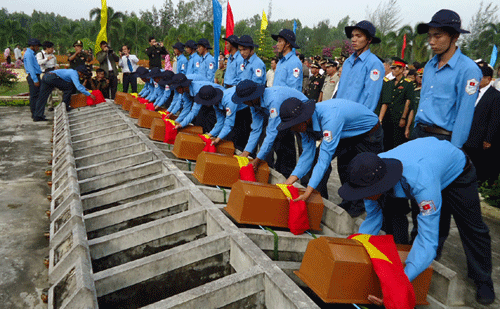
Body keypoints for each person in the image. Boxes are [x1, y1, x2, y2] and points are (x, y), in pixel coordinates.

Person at [338, 137, 495, 306]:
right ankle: (420, 262)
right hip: (428, 165)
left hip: (457, 172)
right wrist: (356, 252)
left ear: (380, 186)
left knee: (472, 228)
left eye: (367, 193)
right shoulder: (370, 173)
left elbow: (428, 241)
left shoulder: (421, 183)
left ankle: (483, 281)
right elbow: (373, 218)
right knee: (431, 224)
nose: (364, 197)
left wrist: (398, 285)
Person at [277, 98, 383, 201]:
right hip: (345, 133)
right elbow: (307, 155)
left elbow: (324, 160)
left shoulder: (330, 119)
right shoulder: (304, 126)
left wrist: (307, 192)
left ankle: (359, 208)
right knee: (345, 168)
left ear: (304, 119)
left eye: (293, 125)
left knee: (365, 172)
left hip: (368, 133)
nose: (292, 129)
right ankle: (319, 200)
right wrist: (289, 182)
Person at [412, 9, 482, 148]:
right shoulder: (430, 66)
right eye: (429, 36)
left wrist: (454, 149)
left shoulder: (468, 69)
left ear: (455, 36)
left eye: (437, 36)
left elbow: (464, 114)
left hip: (442, 139)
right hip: (419, 133)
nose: (431, 41)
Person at [231, 80, 308, 178]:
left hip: (300, 113)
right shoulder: (253, 104)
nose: (244, 103)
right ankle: (282, 173)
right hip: (284, 115)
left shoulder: (273, 100)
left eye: (245, 100)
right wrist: (246, 152)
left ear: (253, 97)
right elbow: (256, 129)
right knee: (278, 141)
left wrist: (258, 159)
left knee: (290, 146)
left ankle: (289, 177)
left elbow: (271, 132)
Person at [335, 21, 385, 111]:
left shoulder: (374, 64)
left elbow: (371, 97)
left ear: (369, 40)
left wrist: (361, 120)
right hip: (339, 113)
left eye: (359, 36)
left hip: (356, 117)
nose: (354, 39)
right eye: (353, 36)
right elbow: (340, 89)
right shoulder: (347, 62)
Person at [463, 64, 500, 184]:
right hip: (467, 135)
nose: (477, 80)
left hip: (481, 138)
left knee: (478, 164)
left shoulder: (495, 96)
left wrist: (488, 139)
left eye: (481, 77)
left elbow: (494, 119)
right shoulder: (472, 92)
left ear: (488, 79)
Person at [378, 57, 415, 150]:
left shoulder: (408, 84)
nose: (393, 70)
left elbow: (408, 101)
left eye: (395, 68)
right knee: (386, 143)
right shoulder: (389, 83)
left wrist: (403, 117)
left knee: (396, 143)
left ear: (402, 69)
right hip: (388, 117)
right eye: (392, 68)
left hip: (398, 118)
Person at [200, 86, 252, 152]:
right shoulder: (215, 104)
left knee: (237, 139)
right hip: (234, 110)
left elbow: (229, 125)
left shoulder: (229, 101)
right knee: (225, 137)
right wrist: (209, 135)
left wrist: (216, 140)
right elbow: (220, 122)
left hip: (244, 110)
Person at [37, 41, 59, 112]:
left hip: (53, 72)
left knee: (59, 88)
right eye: (52, 48)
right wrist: (47, 59)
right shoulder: (40, 54)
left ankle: (61, 104)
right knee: (47, 90)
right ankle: (50, 105)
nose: (53, 49)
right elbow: (39, 62)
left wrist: (56, 66)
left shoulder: (53, 55)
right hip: (44, 72)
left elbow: (55, 63)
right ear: (47, 48)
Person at [24, 39, 42, 120]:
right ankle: (35, 115)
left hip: (35, 75)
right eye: (37, 46)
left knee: (37, 96)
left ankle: (38, 114)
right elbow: (31, 68)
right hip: (33, 76)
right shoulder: (28, 54)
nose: (38, 48)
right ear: (33, 46)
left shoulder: (31, 53)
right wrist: (35, 80)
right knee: (34, 97)